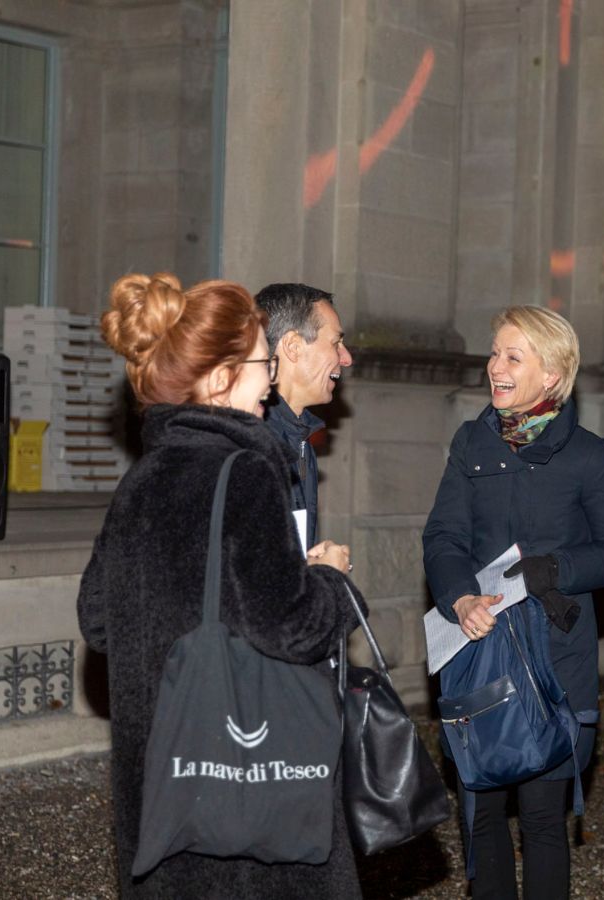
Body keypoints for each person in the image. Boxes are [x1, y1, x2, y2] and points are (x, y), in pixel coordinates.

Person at [77, 273, 364, 897]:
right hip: (245, 793)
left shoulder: (139, 480)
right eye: (263, 364)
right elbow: (293, 627)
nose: (271, 382)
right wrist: (331, 581)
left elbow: (97, 619)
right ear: (217, 379)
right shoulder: (246, 473)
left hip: (163, 789)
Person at [422, 305, 604, 900]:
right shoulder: (471, 441)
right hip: (478, 655)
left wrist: (557, 569)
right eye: (495, 353)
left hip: (555, 662)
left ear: (551, 374)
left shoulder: (590, 455)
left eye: (512, 356)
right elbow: (443, 537)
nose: (494, 366)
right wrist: (459, 597)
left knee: (544, 821)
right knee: (481, 817)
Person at [253, 282, 353, 549]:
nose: (346, 358)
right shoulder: (254, 444)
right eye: (336, 343)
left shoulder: (299, 437)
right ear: (293, 347)